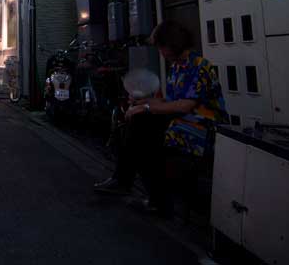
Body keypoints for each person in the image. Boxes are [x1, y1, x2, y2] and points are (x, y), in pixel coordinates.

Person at [94, 20, 228, 217]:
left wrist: (147, 107)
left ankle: (136, 187)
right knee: (139, 125)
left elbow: (185, 105)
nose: (160, 52)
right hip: (181, 121)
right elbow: (168, 102)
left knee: (146, 136)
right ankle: (144, 192)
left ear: (171, 44)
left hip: (202, 128)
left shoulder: (199, 66)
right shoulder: (177, 67)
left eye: (161, 46)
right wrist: (142, 102)